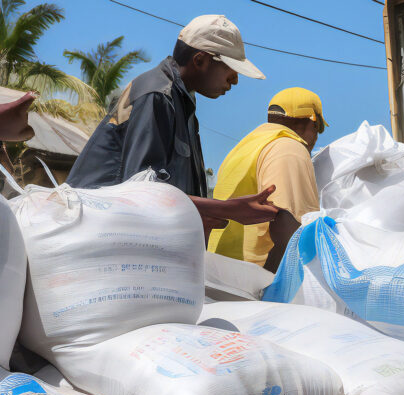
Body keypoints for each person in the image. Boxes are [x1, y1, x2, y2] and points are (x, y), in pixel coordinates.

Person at [66, 15, 278, 234]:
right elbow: (142, 193)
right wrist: (227, 209)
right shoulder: (157, 95)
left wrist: (204, 214)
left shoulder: (182, 102)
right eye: (230, 70)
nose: (234, 80)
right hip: (98, 233)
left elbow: (163, 197)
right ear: (200, 60)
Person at [207, 87, 325, 271]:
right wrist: (273, 291)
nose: (316, 138)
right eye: (318, 129)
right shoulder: (289, 147)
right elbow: (288, 227)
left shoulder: (245, 147)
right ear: (312, 120)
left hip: (222, 272)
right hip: (255, 280)